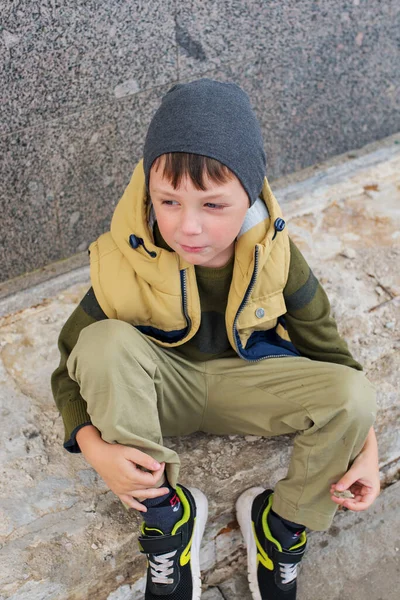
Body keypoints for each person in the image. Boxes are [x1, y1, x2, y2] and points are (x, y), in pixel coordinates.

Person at [51, 78, 380, 600]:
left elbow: (331, 355)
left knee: (353, 396)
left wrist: (366, 445)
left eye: (213, 205)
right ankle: (168, 521)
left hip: (249, 386)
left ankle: (281, 525)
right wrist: (94, 447)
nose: (189, 227)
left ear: (248, 194)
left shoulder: (275, 254)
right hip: (159, 391)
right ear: (147, 191)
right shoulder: (123, 260)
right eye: (169, 201)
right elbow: (70, 363)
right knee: (103, 344)